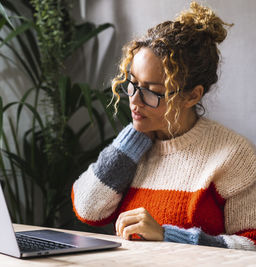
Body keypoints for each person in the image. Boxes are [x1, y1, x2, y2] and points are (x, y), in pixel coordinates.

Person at [71, 2, 256, 250]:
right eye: (133, 83)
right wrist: (133, 138)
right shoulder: (136, 147)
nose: (134, 101)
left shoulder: (234, 155)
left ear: (192, 96)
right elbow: (87, 209)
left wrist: (168, 236)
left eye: (151, 92)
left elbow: (251, 246)